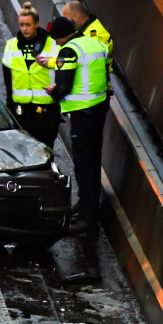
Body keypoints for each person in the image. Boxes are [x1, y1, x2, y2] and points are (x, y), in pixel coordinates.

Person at [51, 16, 110, 233]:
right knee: (93, 162)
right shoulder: (95, 44)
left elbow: (63, 86)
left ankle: (87, 216)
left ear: (60, 37)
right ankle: (88, 206)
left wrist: (54, 92)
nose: (57, 44)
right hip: (98, 110)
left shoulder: (69, 50)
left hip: (83, 116)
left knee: (84, 165)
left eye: (56, 40)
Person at [1, 3, 60, 146]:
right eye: (21, 25)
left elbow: (64, 68)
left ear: (37, 24)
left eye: (28, 24)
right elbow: (7, 77)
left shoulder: (52, 44)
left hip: (46, 111)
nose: (24, 29)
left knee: (45, 150)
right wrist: (10, 104)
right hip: (21, 110)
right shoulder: (11, 44)